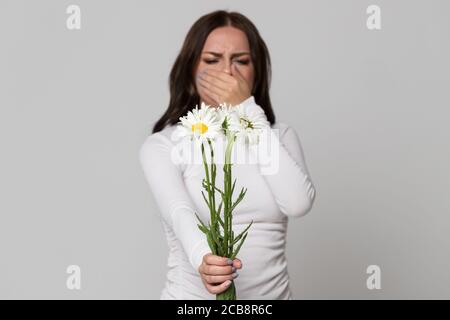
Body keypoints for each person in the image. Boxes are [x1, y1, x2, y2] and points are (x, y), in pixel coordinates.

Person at [139, 10, 316, 299]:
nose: (227, 72)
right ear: (190, 70)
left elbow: (297, 203)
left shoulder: (278, 137)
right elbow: (179, 213)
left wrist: (245, 109)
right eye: (211, 60)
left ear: (256, 71)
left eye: (241, 61)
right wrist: (202, 259)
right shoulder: (165, 145)